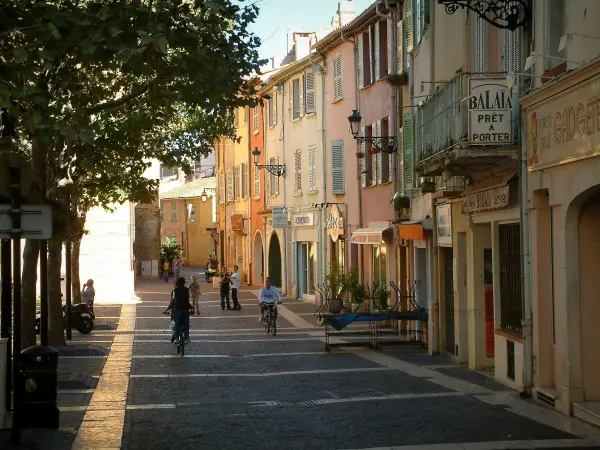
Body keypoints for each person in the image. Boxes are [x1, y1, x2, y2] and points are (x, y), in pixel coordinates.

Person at [162, 277, 191, 343]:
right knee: (186, 323)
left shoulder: (175, 291)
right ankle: (186, 338)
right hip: (186, 309)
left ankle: (177, 338)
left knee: (177, 324)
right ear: (184, 283)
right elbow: (187, 299)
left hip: (178, 310)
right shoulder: (187, 290)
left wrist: (166, 309)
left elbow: (173, 301)